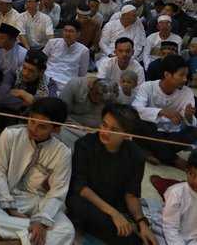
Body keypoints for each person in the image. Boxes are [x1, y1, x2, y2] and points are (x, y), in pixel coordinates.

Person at [0, 98, 75, 245]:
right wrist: (11, 209)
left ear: (56, 129)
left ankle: (12, 243)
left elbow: (57, 192)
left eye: (42, 127)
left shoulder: (62, 152)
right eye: (31, 120)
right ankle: (44, 239)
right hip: (4, 193)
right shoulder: (10, 134)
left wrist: (41, 221)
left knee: (67, 230)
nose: (32, 128)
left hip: (36, 199)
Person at [67, 103, 158, 245]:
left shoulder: (136, 155)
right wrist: (114, 215)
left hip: (114, 203)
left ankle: (108, 228)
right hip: (88, 201)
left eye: (114, 129)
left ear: (127, 134)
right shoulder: (85, 145)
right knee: (76, 204)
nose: (105, 132)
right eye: (104, 125)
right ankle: (120, 227)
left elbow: (131, 194)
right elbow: (81, 188)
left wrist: (142, 223)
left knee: (138, 240)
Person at [132, 55, 197, 170]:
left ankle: (149, 150)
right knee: (138, 123)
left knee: (193, 132)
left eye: (186, 75)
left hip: (171, 135)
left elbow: (188, 122)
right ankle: (174, 159)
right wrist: (162, 111)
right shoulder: (148, 87)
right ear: (167, 75)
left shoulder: (187, 92)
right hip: (150, 131)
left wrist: (189, 116)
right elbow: (136, 109)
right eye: (181, 75)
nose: (185, 79)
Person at [0, 50, 58, 131]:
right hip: (10, 119)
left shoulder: (49, 84)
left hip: (34, 123)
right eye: (24, 68)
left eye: (31, 71)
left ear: (41, 72)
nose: (25, 73)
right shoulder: (13, 75)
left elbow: (52, 108)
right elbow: (2, 97)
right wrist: (26, 102)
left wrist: (25, 95)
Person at [42, 19, 89, 90]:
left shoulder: (84, 50)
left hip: (67, 83)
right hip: (48, 78)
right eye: (65, 30)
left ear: (78, 34)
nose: (67, 33)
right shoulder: (52, 43)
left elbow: (82, 74)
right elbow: (41, 60)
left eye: (71, 31)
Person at [161, 150, 197, 244]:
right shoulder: (176, 193)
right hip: (166, 234)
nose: (195, 182)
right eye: (192, 175)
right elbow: (170, 227)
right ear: (186, 171)